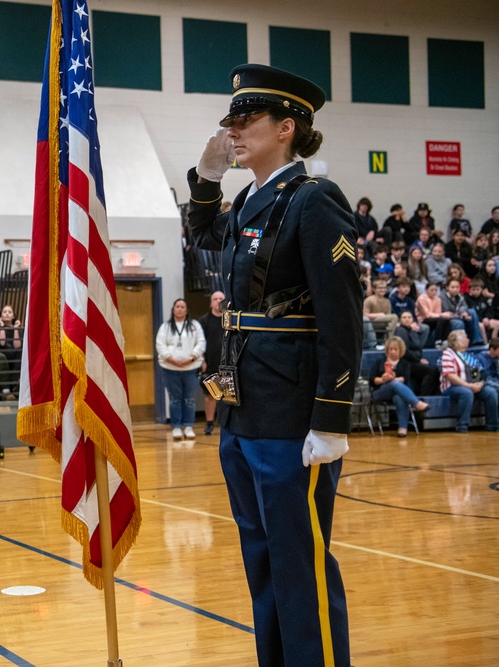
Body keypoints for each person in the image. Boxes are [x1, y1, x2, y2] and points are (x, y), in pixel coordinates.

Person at [186, 65, 361, 666]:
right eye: (230, 121)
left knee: (298, 561)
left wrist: (332, 418)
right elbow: (203, 232)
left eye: (246, 120)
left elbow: (342, 316)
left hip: (291, 412)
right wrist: (207, 178)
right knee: (260, 557)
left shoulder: (315, 200)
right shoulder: (250, 200)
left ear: (286, 128)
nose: (232, 131)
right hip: (243, 405)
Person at [155, 298, 205, 440]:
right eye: (177, 306)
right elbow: (160, 345)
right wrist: (171, 359)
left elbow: (201, 343)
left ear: (186, 310)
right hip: (170, 368)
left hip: (191, 368)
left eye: (183, 307)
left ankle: (188, 426)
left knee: (189, 399)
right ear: (173, 309)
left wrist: (191, 358)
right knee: (175, 399)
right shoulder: (165, 327)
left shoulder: (195, 326)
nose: (180, 309)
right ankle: (176, 427)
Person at [369, 336, 430, 437]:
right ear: (387, 350)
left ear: (400, 350)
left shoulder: (405, 363)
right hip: (380, 391)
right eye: (390, 349)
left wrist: (393, 379)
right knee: (394, 384)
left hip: (398, 392)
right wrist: (383, 379)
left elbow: (405, 379)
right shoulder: (379, 362)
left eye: (395, 349)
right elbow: (372, 380)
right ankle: (416, 403)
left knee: (399, 397)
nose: (393, 352)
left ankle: (402, 429)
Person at [440, 330, 499, 433]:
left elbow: (481, 372)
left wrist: (480, 384)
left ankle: (492, 425)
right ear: (458, 342)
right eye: (466, 338)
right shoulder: (448, 354)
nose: (468, 340)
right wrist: (468, 386)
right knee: (466, 392)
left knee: (490, 392)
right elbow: (450, 375)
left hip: (472, 385)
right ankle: (462, 426)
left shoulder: (469, 355)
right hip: (452, 387)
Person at [198, 291, 226, 434]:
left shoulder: (229, 320)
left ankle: (226, 424)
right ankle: (209, 423)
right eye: (215, 299)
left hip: (227, 364)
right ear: (211, 302)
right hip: (211, 362)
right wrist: (202, 361)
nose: (218, 301)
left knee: (227, 395)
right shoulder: (204, 321)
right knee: (211, 395)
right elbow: (199, 342)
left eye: (221, 298)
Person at [393, 311, 440, 396]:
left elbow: (418, 347)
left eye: (409, 317)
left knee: (436, 369)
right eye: (404, 317)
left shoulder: (412, 330)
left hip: (415, 360)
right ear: (400, 320)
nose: (407, 319)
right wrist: (419, 360)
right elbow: (404, 351)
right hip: (406, 362)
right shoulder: (401, 331)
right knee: (431, 371)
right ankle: (424, 396)